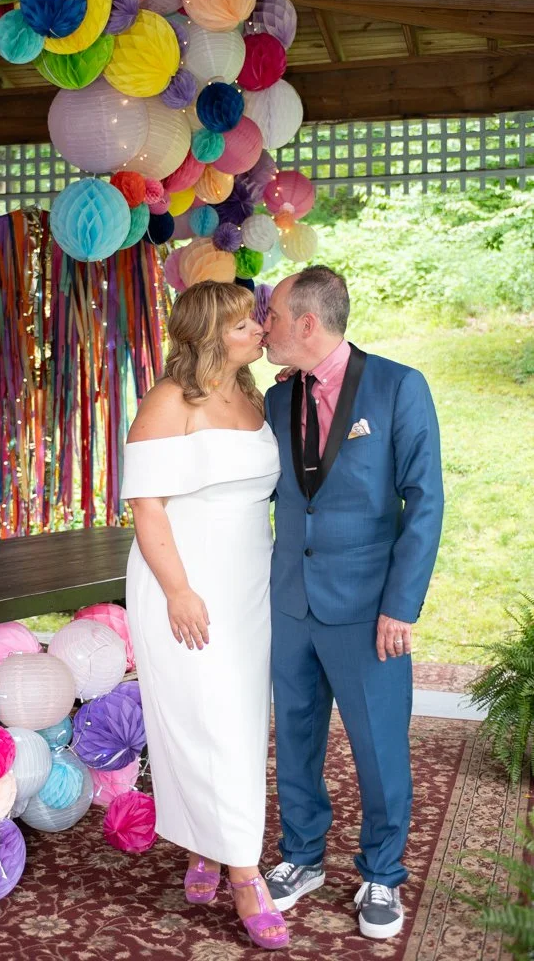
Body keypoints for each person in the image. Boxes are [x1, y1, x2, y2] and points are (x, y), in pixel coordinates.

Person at [260, 265, 444, 940]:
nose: (264, 326)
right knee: (296, 739)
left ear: (308, 323)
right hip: (290, 603)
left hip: (370, 610)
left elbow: (423, 503)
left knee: (377, 747)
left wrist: (401, 605)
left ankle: (381, 873)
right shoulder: (275, 400)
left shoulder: (399, 387)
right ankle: (302, 856)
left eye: (273, 315)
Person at [121, 281, 287, 950]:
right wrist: (179, 591)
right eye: (245, 321)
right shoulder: (169, 401)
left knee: (241, 723)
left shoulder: (251, 395)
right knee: (203, 720)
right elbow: (146, 505)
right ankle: (245, 874)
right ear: (210, 331)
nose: (259, 327)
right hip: (181, 582)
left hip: (249, 579)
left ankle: (205, 844)